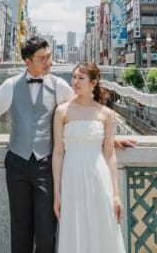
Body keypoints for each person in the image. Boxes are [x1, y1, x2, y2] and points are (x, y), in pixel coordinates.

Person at [0, 36, 135, 253]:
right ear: (28, 61)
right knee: (20, 231)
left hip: (46, 165)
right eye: (42, 58)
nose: (48, 62)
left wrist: (109, 137)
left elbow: (84, 113)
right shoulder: (10, 86)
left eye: (49, 57)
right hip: (17, 164)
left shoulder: (60, 87)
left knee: (46, 236)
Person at [52, 63, 126, 253]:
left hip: (98, 177)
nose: (74, 82)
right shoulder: (62, 111)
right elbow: (58, 152)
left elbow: (110, 154)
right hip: (71, 176)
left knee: (102, 228)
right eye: (74, 77)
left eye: (80, 78)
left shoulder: (107, 114)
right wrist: (57, 193)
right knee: (73, 229)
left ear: (93, 83)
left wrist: (116, 195)